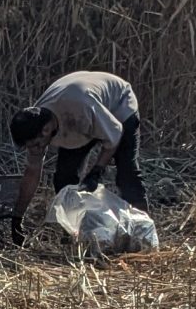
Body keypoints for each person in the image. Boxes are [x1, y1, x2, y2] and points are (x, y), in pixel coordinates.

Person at [9, 69, 146, 235]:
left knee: (127, 174)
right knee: (64, 179)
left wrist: (97, 171)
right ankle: (74, 233)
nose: (35, 150)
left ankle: (142, 231)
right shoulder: (36, 124)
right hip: (78, 121)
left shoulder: (81, 108)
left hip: (117, 106)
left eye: (36, 145)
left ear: (46, 130)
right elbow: (32, 173)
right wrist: (17, 217)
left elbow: (115, 134)